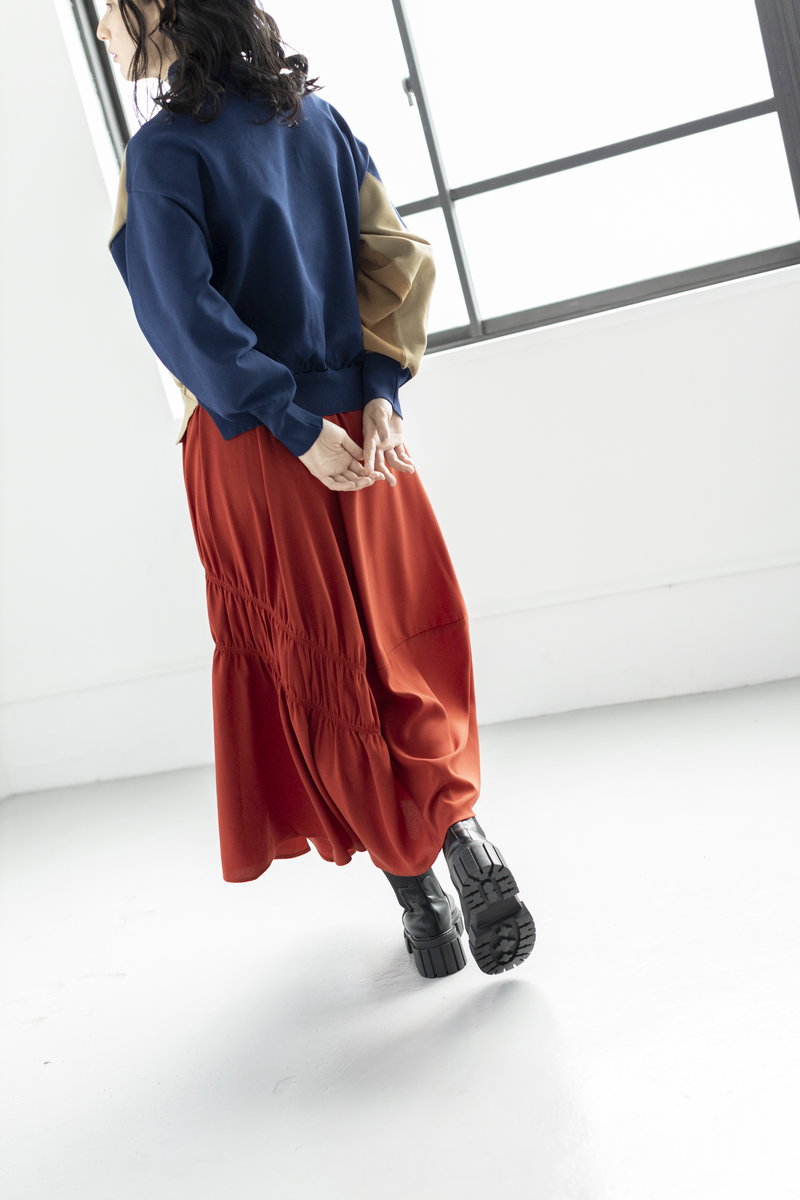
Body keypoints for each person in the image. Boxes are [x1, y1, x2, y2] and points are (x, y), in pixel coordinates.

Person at [97, 0, 535, 979]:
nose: (99, 32)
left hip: (259, 447)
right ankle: (459, 834)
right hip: (361, 433)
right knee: (398, 648)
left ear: (159, 11)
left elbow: (183, 313)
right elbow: (393, 258)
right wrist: (379, 393)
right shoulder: (320, 123)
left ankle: (422, 901)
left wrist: (289, 426)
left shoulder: (163, 152)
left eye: (109, 13)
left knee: (316, 673)